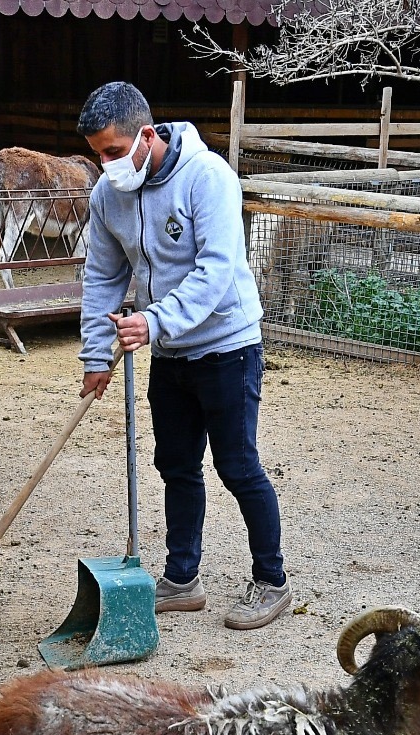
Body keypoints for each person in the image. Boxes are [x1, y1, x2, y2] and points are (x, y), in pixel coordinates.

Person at [75, 81, 292, 631]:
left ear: (146, 136)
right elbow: (103, 275)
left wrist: (152, 320)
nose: (104, 166)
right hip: (168, 353)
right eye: (96, 154)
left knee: (237, 466)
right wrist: (96, 357)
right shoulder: (108, 196)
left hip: (227, 346)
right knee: (175, 466)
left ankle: (271, 580)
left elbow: (216, 271)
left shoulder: (208, 177)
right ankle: (182, 578)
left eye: (112, 152)